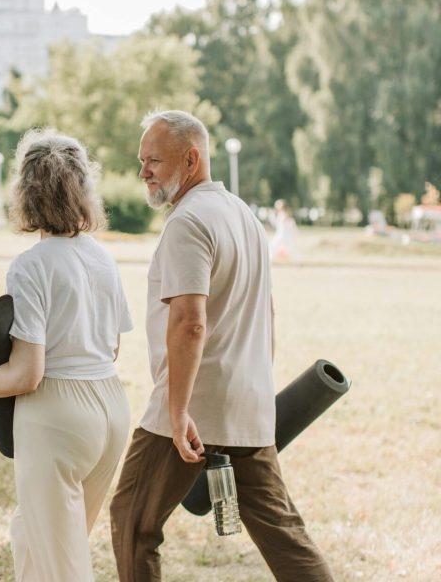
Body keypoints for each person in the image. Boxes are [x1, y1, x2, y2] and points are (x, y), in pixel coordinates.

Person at [109, 110, 334, 581]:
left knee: (132, 520)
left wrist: (176, 411)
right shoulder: (245, 217)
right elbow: (266, 313)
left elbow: (190, 322)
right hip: (248, 406)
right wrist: (253, 388)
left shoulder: (188, 222)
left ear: (190, 159)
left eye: (153, 161)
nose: (143, 172)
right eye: (141, 161)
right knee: (285, 535)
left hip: (192, 409)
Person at [0, 129, 133, 582]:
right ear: (83, 191)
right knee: (35, 538)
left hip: (58, 416)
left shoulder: (31, 265)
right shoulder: (102, 258)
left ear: (26, 194)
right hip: (111, 411)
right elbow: (112, 347)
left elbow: (27, 373)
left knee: (62, 566)